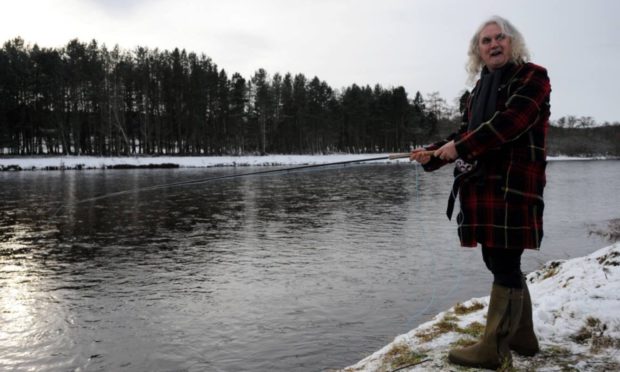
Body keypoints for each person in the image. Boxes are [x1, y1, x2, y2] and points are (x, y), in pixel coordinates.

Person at [410, 15, 551, 369]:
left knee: (504, 262)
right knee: (497, 259)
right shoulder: (477, 90)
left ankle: (494, 348)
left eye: (499, 37)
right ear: (478, 51)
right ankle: (522, 336)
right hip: (482, 185)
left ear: (512, 42)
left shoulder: (533, 77)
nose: (493, 45)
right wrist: (432, 153)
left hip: (514, 186)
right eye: (485, 41)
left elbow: (509, 123)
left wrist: (459, 148)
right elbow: (465, 133)